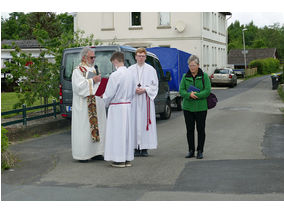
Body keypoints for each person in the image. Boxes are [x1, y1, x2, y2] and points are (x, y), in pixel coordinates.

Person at [71, 47, 106, 162]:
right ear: (84, 57)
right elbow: (78, 87)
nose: (93, 59)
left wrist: (102, 85)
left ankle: (97, 152)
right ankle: (83, 154)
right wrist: (93, 81)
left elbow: (97, 85)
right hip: (84, 105)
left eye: (94, 57)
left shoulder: (94, 69)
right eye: (91, 57)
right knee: (84, 129)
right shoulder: (78, 70)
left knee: (98, 127)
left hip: (96, 103)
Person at [103, 52, 136, 168]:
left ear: (115, 61)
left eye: (113, 63)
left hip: (117, 107)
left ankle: (119, 159)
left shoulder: (115, 75)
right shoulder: (131, 74)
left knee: (117, 134)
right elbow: (133, 92)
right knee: (126, 133)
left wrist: (104, 102)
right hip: (127, 106)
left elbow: (109, 94)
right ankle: (127, 158)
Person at [179, 55, 211, 159]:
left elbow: (207, 91)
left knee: (201, 129)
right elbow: (181, 90)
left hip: (201, 108)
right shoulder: (185, 76)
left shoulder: (204, 76)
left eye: (194, 65)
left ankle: (200, 150)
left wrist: (196, 95)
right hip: (188, 108)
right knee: (190, 130)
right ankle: (191, 150)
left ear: (198, 65)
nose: (192, 67)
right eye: (190, 65)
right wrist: (189, 95)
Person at [128, 48, 158, 157]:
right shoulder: (130, 69)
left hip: (146, 100)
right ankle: (136, 147)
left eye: (143, 56)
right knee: (135, 122)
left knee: (145, 123)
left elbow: (155, 86)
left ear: (145, 57)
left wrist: (145, 89)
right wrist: (134, 89)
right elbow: (127, 84)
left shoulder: (151, 70)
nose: (141, 58)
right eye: (139, 56)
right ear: (135, 57)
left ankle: (145, 147)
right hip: (135, 100)